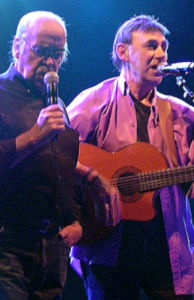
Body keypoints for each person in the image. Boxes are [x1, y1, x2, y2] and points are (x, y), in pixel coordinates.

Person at [67, 15, 194, 300]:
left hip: (167, 245)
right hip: (106, 242)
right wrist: (93, 184)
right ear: (124, 51)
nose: (161, 54)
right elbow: (57, 158)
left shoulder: (181, 114)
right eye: (151, 46)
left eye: (164, 47)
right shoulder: (94, 102)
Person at [0, 11, 86, 300]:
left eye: (58, 54)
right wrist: (33, 137)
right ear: (17, 47)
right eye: (42, 51)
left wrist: (72, 218)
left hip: (52, 247)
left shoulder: (57, 104)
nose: (50, 62)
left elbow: (61, 169)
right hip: (8, 243)